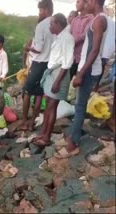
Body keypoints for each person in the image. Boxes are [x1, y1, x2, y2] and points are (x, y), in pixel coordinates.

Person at [55, 0, 108, 159]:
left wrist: (80, 73)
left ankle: (73, 145)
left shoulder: (99, 20)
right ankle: (73, 137)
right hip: (87, 67)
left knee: (79, 107)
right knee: (79, 105)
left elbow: (94, 50)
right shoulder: (97, 18)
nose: (85, 3)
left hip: (89, 69)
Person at [32, 14, 75, 146]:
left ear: (58, 24)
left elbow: (67, 62)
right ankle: (44, 133)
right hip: (53, 73)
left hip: (59, 74)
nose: (50, 26)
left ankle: (46, 137)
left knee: (51, 107)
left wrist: (57, 81)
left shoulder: (67, 38)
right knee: (49, 105)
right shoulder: (59, 37)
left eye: (51, 24)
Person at [20, 0, 54, 131]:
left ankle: (24, 121)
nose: (39, 13)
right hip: (49, 64)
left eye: (40, 10)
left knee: (27, 92)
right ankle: (32, 122)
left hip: (39, 63)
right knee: (39, 93)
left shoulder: (42, 25)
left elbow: (38, 49)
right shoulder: (56, 23)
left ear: (46, 9)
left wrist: (28, 48)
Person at [69, 0, 94, 81]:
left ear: (85, 3)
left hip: (83, 59)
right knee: (69, 83)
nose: (76, 4)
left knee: (79, 83)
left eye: (78, 2)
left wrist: (71, 43)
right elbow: (70, 34)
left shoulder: (91, 18)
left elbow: (84, 36)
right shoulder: (75, 20)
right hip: (72, 57)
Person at [94, 16, 115, 91]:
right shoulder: (111, 22)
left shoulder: (105, 20)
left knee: (101, 65)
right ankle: (96, 85)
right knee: (102, 65)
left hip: (104, 49)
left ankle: (96, 85)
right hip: (105, 49)